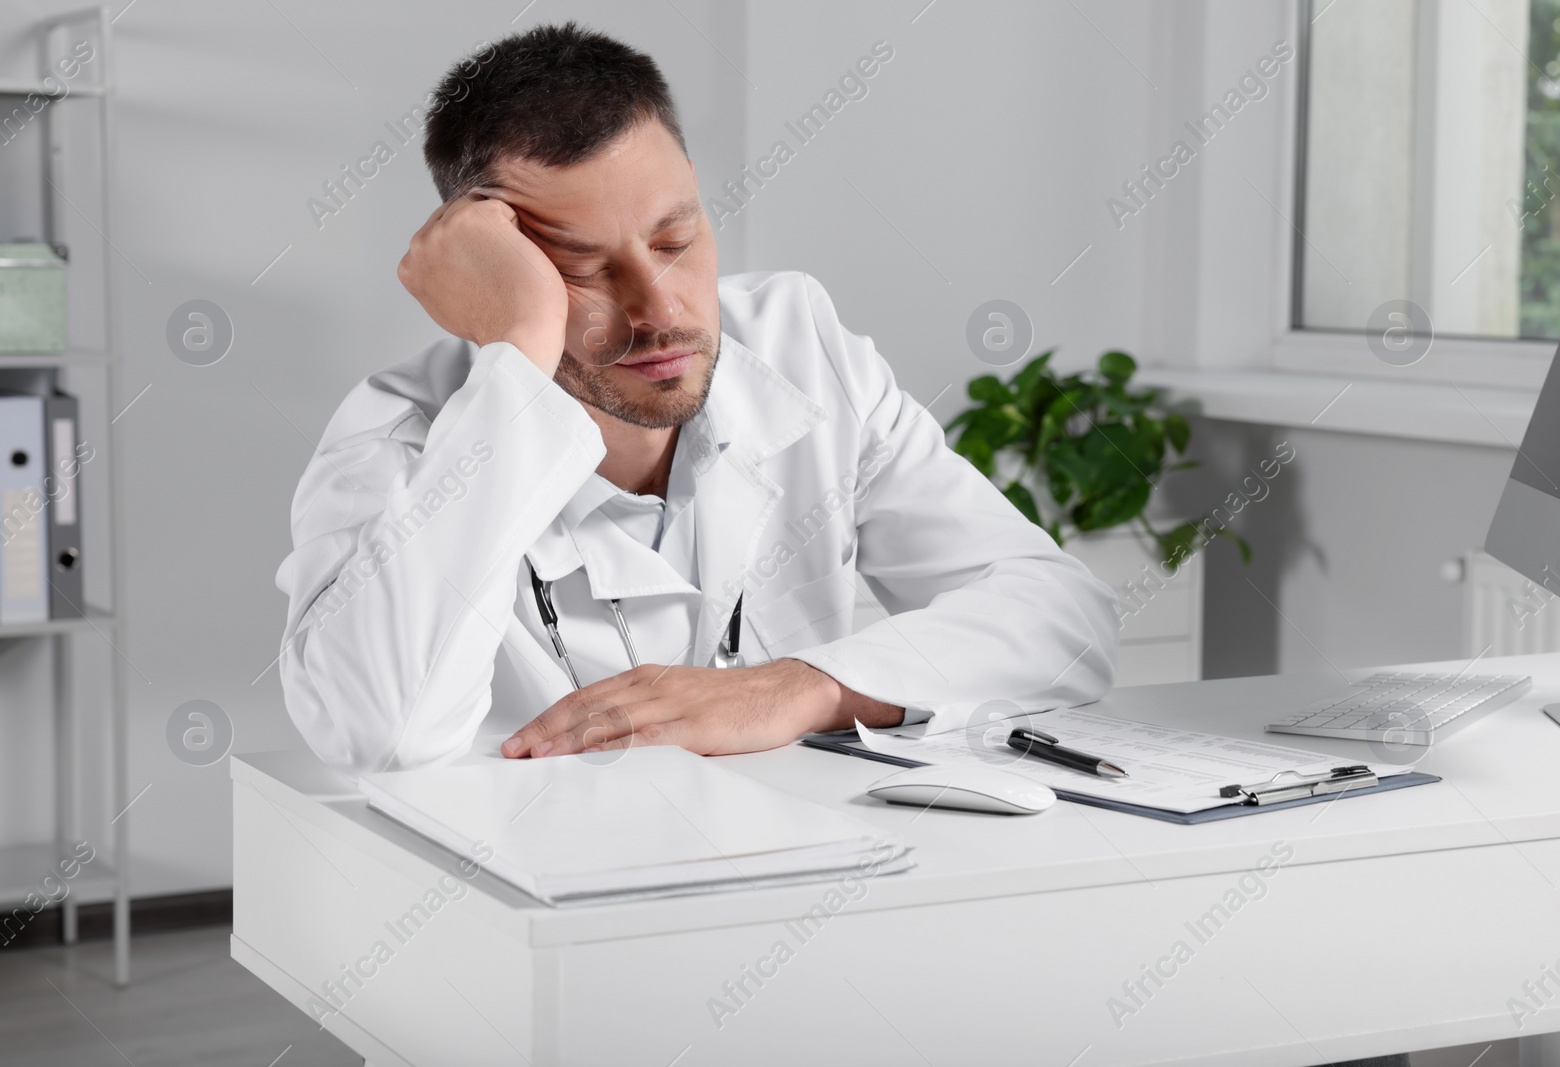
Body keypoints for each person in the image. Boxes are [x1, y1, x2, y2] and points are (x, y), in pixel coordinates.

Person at [274, 21, 1118, 777]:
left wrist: (797, 689)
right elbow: (376, 732)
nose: (662, 311)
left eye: (676, 239)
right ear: (496, 273)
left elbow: (1064, 619)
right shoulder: (397, 439)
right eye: (582, 268)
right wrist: (516, 366)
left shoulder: (798, 343)